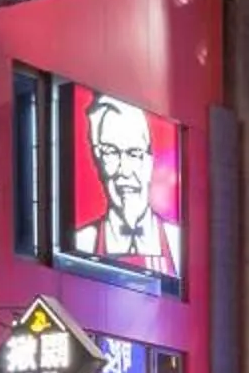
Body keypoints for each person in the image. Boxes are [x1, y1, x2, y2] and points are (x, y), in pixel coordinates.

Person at [67, 91, 181, 274]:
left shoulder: (177, 243)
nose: (125, 171)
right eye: (111, 152)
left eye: (134, 153)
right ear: (98, 160)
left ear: (150, 161)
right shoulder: (83, 241)